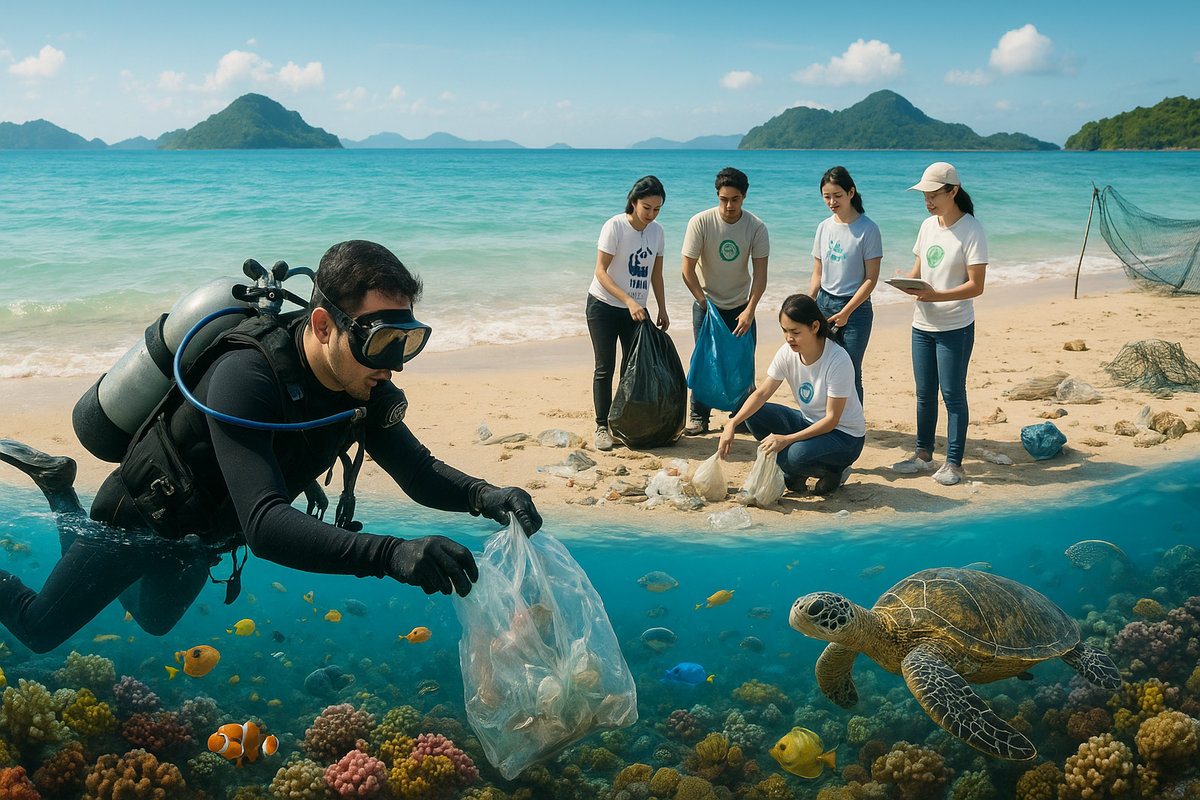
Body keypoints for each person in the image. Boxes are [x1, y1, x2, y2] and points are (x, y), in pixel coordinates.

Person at [0, 240, 542, 654]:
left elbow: (417, 471)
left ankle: (56, 487)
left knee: (154, 620)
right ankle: (67, 502)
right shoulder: (247, 375)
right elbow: (264, 524)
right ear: (325, 325)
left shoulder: (362, 386)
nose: (393, 364)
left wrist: (485, 495)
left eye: (407, 342)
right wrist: (391, 554)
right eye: (379, 341)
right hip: (141, 514)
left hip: (202, 534)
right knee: (41, 629)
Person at [891, 162, 988, 487]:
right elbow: (920, 271)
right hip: (923, 325)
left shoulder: (971, 229)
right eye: (925, 196)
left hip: (955, 326)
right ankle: (922, 455)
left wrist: (937, 296)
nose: (928, 201)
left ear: (953, 191)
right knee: (923, 394)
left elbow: (977, 285)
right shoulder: (927, 226)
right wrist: (906, 281)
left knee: (953, 394)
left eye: (934, 195)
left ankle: (955, 464)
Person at [717, 294, 864, 495]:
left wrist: (786, 440)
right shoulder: (787, 352)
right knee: (751, 410)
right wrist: (731, 424)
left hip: (844, 437)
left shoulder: (838, 360)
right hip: (808, 422)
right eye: (784, 331)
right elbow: (761, 394)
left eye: (795, 332)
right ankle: (792, 469)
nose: (788, 338)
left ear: (814, 327)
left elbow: (831, 420)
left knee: (794, 456)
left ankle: (832, 471)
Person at [681, 167, 769, 435]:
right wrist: (703, 302)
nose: (729, 205)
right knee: (706, 360)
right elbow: (687, 269)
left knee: (742, 362)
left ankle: (740, 418)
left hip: (741, 305)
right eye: (723, 199)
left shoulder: (756, 227)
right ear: (717, 196)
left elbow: (761, 276)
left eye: (735, 199)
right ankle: (699, 417)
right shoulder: (701, 222)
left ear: (744, 196)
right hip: (707, 304)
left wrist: (750, 311)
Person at [586, 175, 669, 451]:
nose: (651, 214)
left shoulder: (657, 231)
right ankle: (601, 426)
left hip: (636, 310)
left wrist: (662, 307)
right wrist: (629, 300)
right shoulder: (615, 226)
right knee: (605, 366)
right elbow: (600, 271)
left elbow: (656, 274)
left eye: (657, 209)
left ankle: (620, 421)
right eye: (646, 207)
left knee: (631, 369)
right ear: (633, 202)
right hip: (603, 307)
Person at [808, 166, 881, 404]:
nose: (832, 202)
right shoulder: (823, 227)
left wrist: (847, 311)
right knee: (822, 367)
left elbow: (871, 279)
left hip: (856, 309)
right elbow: (818, 271)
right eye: (826, 196)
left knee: (849, 370)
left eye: (837, 195)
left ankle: (853, 424)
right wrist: (810, 302)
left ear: (851, 192)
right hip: (824, 303)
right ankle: (826, 420)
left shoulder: (868, 229)